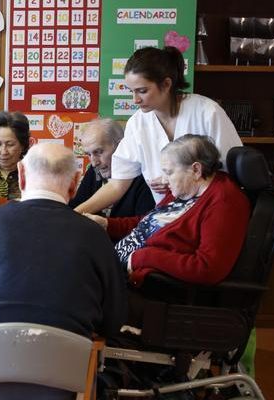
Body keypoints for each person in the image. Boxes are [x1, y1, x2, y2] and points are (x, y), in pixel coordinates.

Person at [0, 142, 127, 400]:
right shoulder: (95, 237)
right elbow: (113, 320)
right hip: (64, 388)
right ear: (75, 183)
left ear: (22, 175)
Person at [74, 46, 243, 214]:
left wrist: (177, 179)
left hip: (211, 213)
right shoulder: (138, 123)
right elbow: (117, 184)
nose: (136, 100)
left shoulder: (207, 113)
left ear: (166, 84)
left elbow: (232, 174)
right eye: (131, 92)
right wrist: (77, 213)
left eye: (142, 91)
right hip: (168, 218)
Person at [84, 134, 250, 286]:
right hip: (117, 267)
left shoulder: (224, 202)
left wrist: (142, 257)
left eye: (169, 172)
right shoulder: (187, 190)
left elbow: (207, 268)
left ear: (196, 170)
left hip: (141, 285)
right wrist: (107, 224)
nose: (163, 180)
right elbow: (149, 223)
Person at [69, 118, 156, 217]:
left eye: (98, 152)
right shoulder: (95, 171)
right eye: (89, 154)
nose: (94, 163)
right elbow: (77, 204)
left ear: (121, 146)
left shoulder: (144, 178)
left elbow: (144, 224)